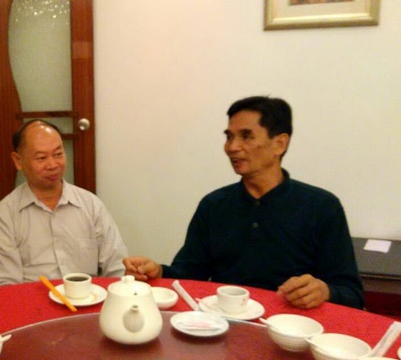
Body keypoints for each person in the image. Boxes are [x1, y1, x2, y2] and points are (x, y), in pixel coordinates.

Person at [124, 96, 364, 310]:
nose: (232, 147)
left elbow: (352, 294)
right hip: (223, 325)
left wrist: (324, 291)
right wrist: (157, 271)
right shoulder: (214, 205)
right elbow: (188, 276)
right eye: (229, 137)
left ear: (280, 144)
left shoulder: (322, 207)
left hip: (294, 330)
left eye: (246, 136)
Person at [0, 119, 148, 287]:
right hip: (32, 301)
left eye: (58, 154)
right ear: (18, 161)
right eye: (41, 158)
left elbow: (116, 268)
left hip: (88, 298)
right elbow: (5, 286)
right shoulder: (4, 215)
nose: (53, 165)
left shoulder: (90, 205)